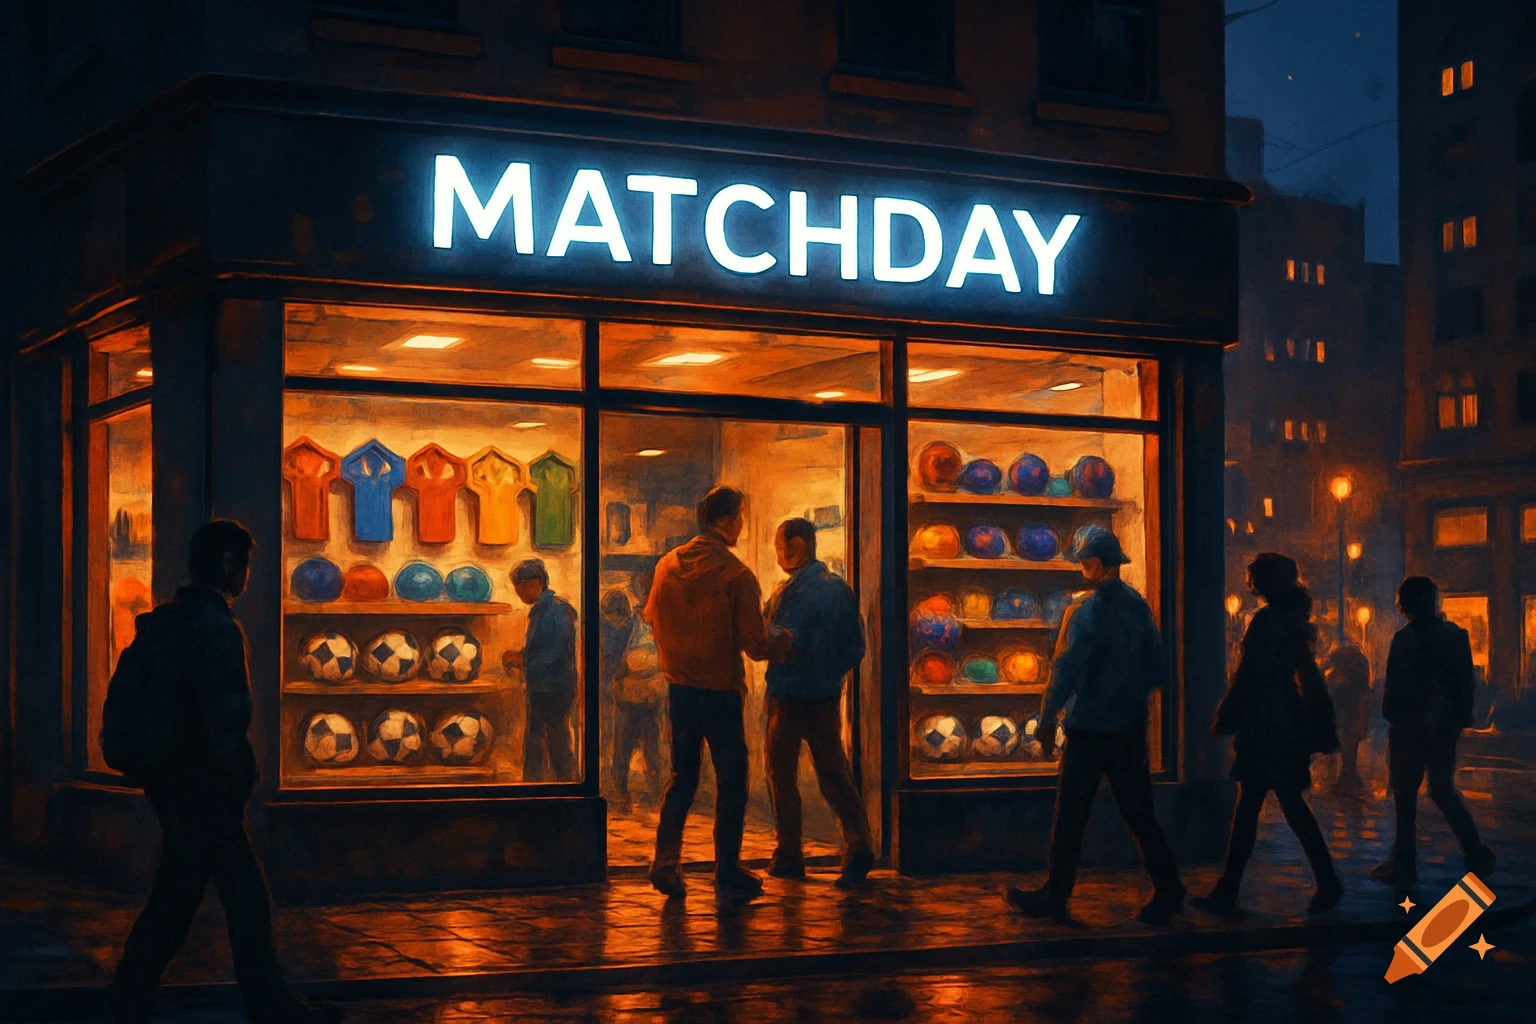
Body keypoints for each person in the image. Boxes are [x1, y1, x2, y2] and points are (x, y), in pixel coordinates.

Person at [109, 520, 339, 1024]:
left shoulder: (165, 623)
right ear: (231, 566)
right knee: (231, 897)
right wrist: (238, 780)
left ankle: (131, 999)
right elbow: (225, 719)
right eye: (247, 565)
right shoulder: (216, 628)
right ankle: (267, 1006)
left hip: (173, 783)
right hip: (206, 788)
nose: (249, 576)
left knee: (186, 894)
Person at [1007, 529, 1185, 925]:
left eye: (1084, 562)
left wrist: (1047, 718)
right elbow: (1157, 670)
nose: (1082, 569)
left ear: (1096, 564)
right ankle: (1170, 888)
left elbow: (1064, 669)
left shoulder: (1082, 611)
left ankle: (1056, 895)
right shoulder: (1139, 607)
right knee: (1139, 812)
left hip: (1088, 726)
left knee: (1071, 814)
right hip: (1129, 726)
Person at [644, 485, 791, 900]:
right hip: (721, 692)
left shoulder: (666, 566)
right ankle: (726, 868)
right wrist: (785, 639)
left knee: (682, 777)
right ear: (726, 522)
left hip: (680, 691)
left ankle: (666, 862)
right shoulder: (735, 573)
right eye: (741, 517)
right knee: (732, 780)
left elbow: (652, 618)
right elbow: (756, 645)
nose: (742, 525)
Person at [1195, 553, 1343, 916]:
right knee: (1285, 805)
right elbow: (1305, 676)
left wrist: (1227, 713)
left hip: (1264, 725)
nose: (1250, 584)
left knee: (1255, 809)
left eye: (1254, 578)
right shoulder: (1294, 622)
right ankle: (1325, 881)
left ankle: (1231, 891)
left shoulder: (1265, 623)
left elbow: (1248, 674)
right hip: (1286, 724)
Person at [763, 517, 875, 888]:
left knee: (782, 776)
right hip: (825, 697)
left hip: (787, 696)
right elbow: (856, 648)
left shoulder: (786, 593)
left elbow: (772, 641)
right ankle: (858, 846)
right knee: (834, 772)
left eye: (781, 546)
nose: (780, 554)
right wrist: (829, 675)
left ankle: (789, 856)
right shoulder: (839, 590)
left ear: (796, 546)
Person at [1370, 575, 1497, 892]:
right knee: (1442, 789)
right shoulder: (1455, 636)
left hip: (1408, 727)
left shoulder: (1404, 639)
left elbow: (1395, 686)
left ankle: (1405, 866)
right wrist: (1457, 720)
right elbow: (1464, 684)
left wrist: (1391, 713)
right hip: (1442, 728)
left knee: (1405, 798)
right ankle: (1474, 851)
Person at [505, 558, 578, 782]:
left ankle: (566, 786)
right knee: (536, 741)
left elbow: (555, 652)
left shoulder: (556, 611)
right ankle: (536, 786)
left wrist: (524, 662)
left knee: (554, 741)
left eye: (521, 586)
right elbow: (540, 647)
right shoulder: (542, 610)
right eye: (516, 587)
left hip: (554, 689)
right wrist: (521, 656)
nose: (519, 592)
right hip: (542, 687)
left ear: (536, 583)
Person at [600, 587, 664, 812]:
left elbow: (649, 660)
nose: (613, 621)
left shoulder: (640, 627)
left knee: (649, 746)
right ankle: (621, 793)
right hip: (625, 698)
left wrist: (625, 668)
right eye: (609, 617)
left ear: (624, 613)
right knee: (622, 747)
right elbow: (607, 663)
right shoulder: (607, 630)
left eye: (615, 616)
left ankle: (656, 792)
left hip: (645, 697)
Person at [1322, 641, 1372, 788]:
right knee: (1350, 747)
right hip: (1353, 716)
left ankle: (1348, 777)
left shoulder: (1343, 676)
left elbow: (1335, 692)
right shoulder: (1358, 670)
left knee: (1348, 747)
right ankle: (1349, 776)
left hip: (1347, 716)